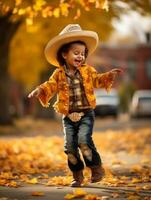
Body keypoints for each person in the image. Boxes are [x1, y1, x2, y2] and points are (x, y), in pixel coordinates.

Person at [28, 24, 122, 187]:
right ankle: (77, 175)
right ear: (64, 54)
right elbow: (50, 85)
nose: (80, 56)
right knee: (70, 148)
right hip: (68, 116)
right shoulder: (58, 74)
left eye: (83, 54)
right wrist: (39, 90)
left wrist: (108, 76)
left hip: (86, 114)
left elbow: (98, 80)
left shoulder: (88, 71)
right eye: (76, 53)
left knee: (83, 141)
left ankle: (95, 167)